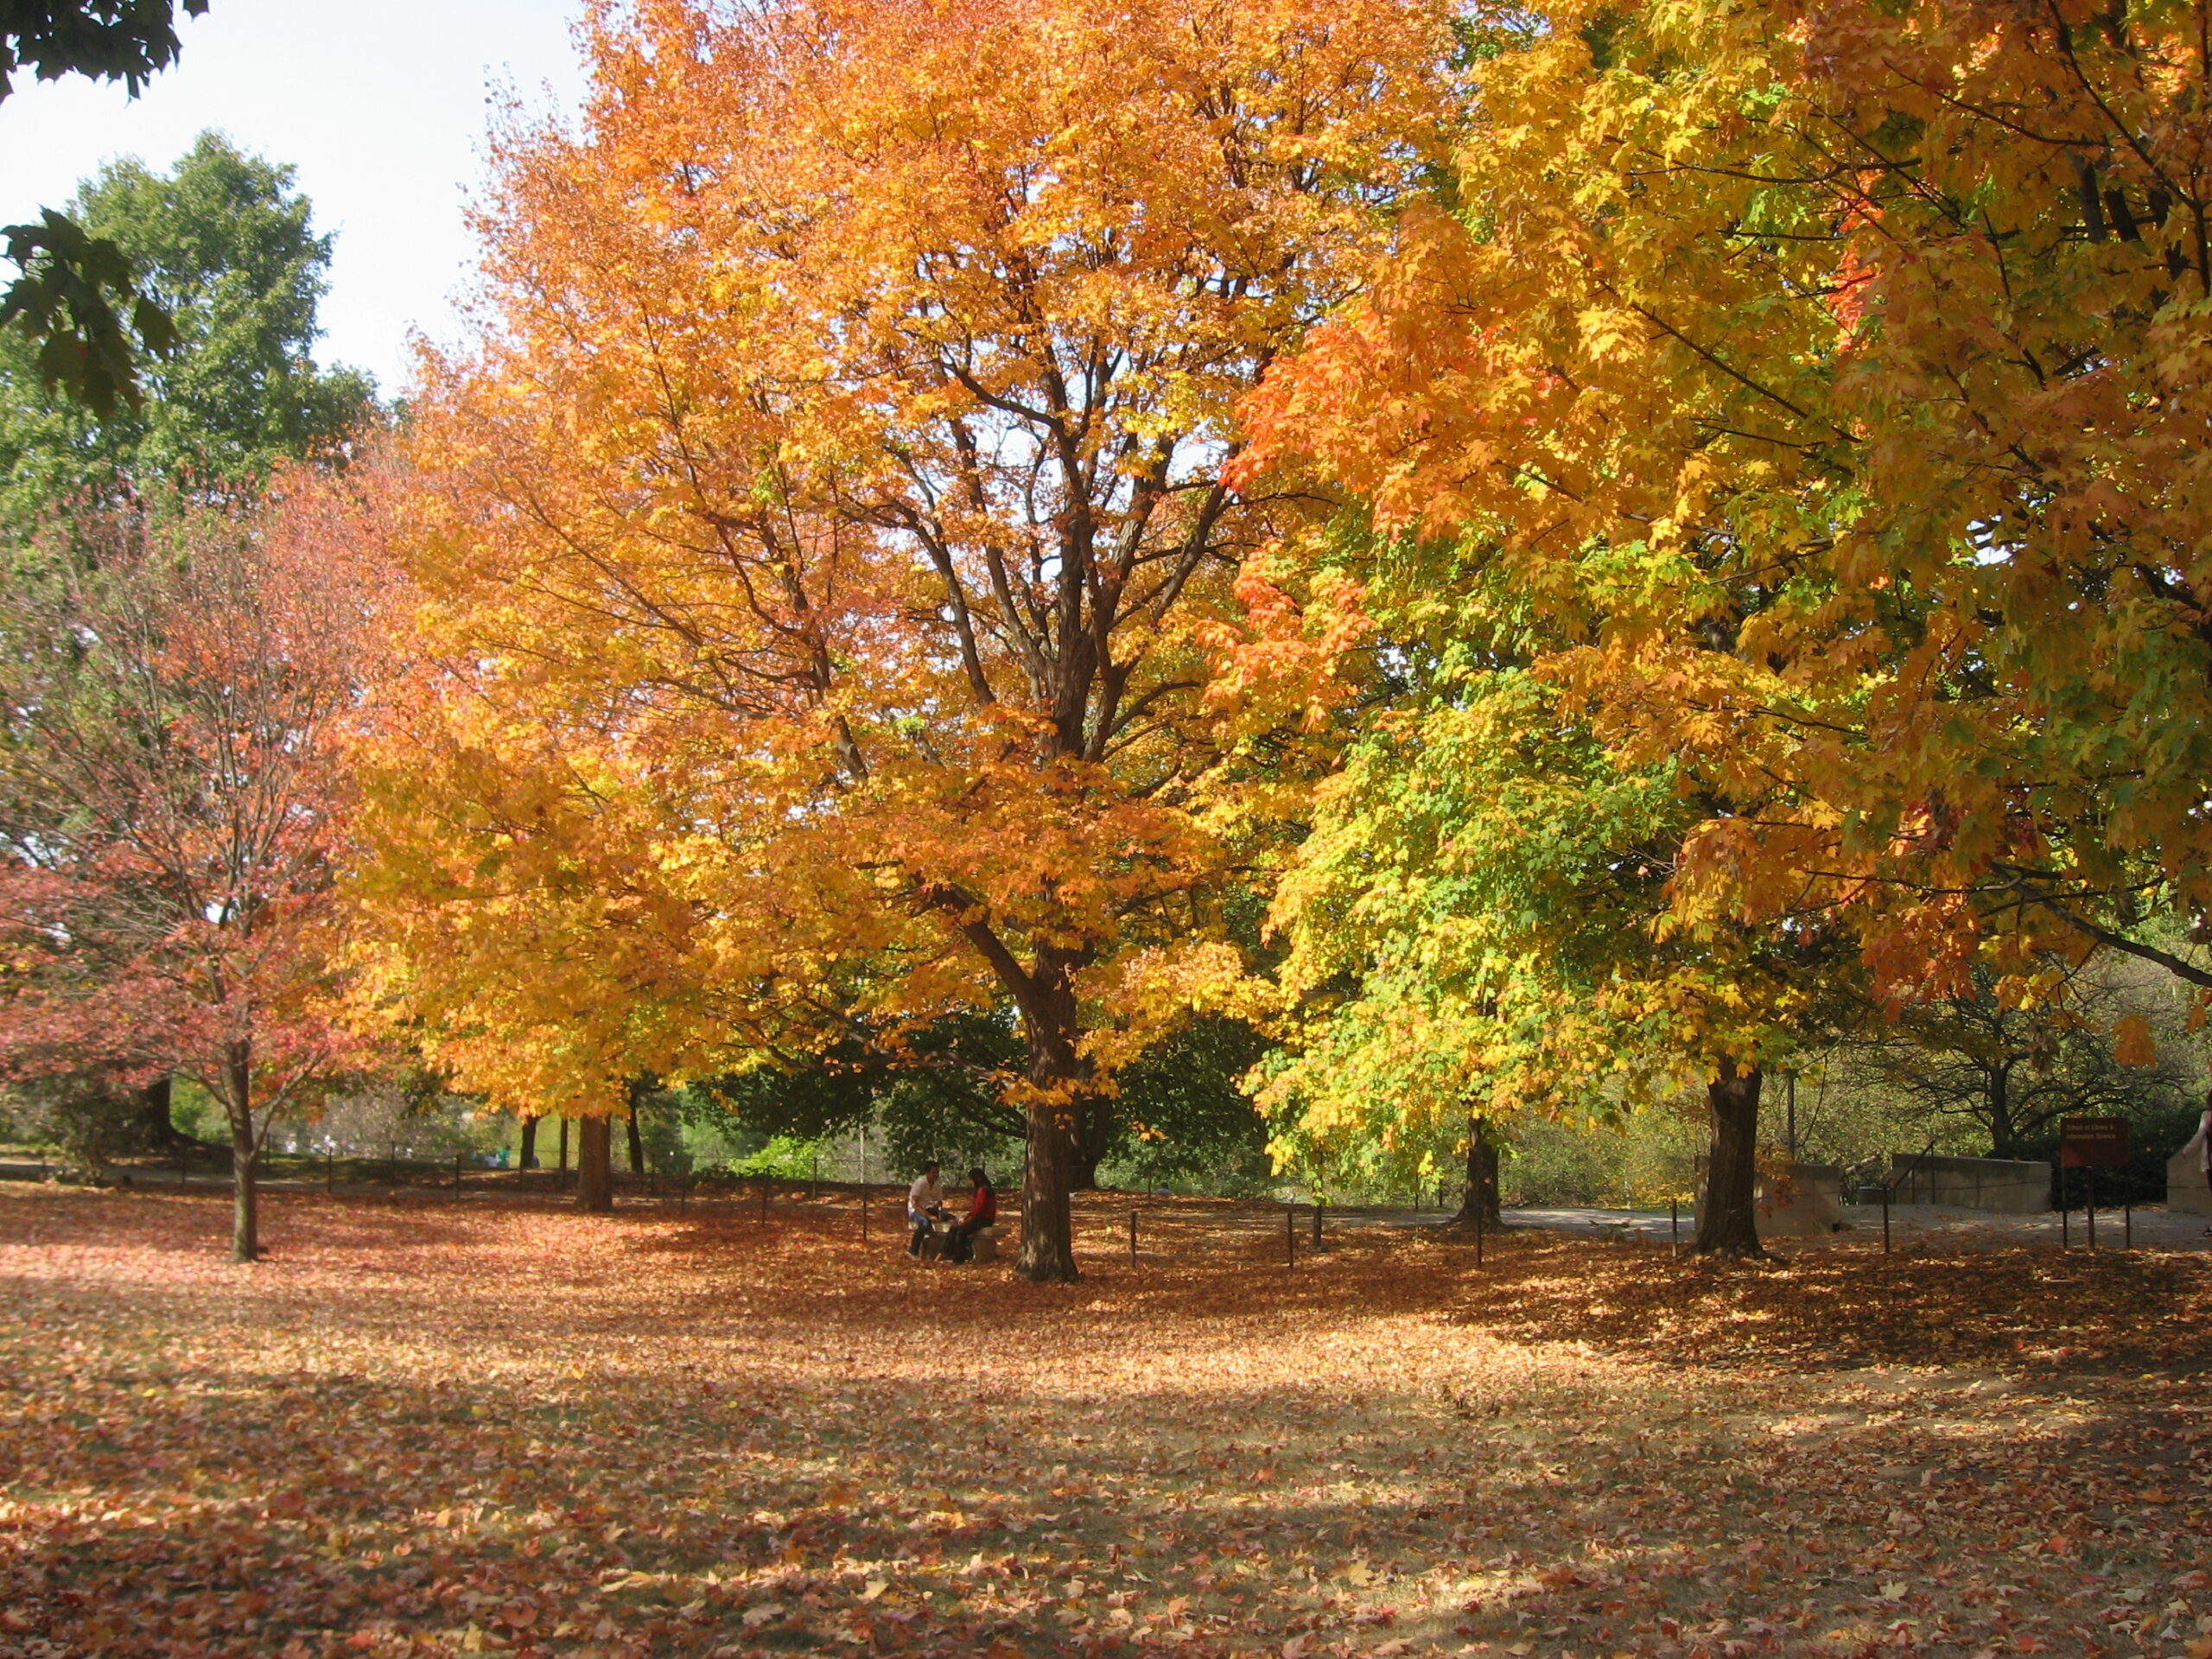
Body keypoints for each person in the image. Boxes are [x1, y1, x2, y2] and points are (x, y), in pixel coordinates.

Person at [944, 1168, 997, 1263]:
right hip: (981, 1218)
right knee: (954, 1228)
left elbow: (979, 1211)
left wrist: (967, 1219)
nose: (970, 1182)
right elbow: (976, 1209)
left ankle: (958, 1259)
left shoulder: (983, 1191)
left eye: (970, 1179)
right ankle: (946, 1253)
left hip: (984, 1219)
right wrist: (967, 1216)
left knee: (961, 1232)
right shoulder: (985, 1189)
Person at [906, 1160, 946, 1257]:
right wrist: (929, 1216)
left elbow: (940, 1201)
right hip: (917, 1210)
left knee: (949, 1219)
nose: (936, 1175)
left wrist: (937, 1205)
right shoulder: (920, 1183)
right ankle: (913, 1250)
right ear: (927, 1173)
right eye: (934, 1172)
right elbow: (915, 1204)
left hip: (930, 1209)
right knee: (924, 1223)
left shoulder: (937, 1186)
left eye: (937, 1172)